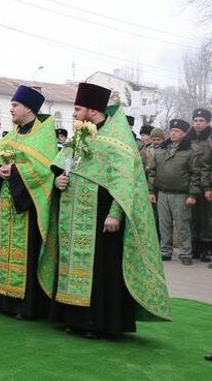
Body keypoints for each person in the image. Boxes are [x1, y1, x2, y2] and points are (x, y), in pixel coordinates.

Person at [51, 83, 171, 338]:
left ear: (93, 110)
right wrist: (58, 180)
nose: (73, 113)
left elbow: (125, 181)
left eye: (78, 108)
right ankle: (73, 318)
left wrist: (115, 213)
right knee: (74, 264)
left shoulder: (117, 138)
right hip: (73, 214)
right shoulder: (80, 134)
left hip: (102, 213)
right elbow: (64, 167)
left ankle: (97, 323)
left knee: (101, 269)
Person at [0, 86, 56, 320]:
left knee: (27, 251)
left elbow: (45, 169)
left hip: (27, 204)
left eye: (14, 105)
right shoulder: (13, 133)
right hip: (6, 203)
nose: (10, 109)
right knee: (4, 247)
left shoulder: (44, 134)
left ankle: (25, 305)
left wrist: (15, 169)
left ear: (29, 108)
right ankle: (3, 299)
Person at [147, 119, 201, 265]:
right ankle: (165, 251)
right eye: (171, 130)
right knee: (164, 224)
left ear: (184, 133)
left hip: (181, 194)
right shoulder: (161, 150)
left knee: (182, 224)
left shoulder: (190, 151)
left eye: (176, 131)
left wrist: (192, 194)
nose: (173, 133)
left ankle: (185, 253)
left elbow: (195, 174)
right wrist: (151, 191)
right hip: (162, 193)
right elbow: (152, 171)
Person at [188, 108, 212, 262]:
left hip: (206, 183)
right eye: (196, 120)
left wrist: (207, 186)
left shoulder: (209, 139)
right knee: (191, 216)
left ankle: (205, 248)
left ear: (208, 122)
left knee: (206, 217)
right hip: (190, 182)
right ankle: (194, 246)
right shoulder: (187, 138)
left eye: (201, 121)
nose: (198, 124)